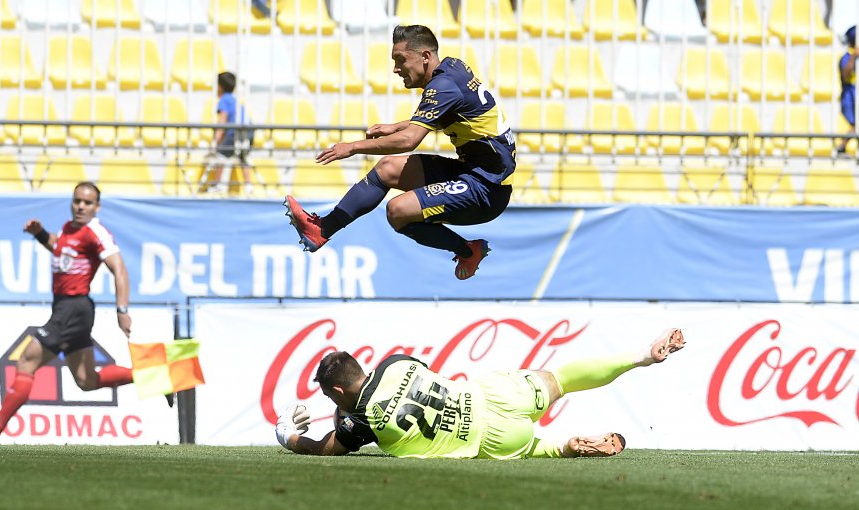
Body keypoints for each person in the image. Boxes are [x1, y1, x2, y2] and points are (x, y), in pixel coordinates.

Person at [284, 25, 516, 280]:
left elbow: (409, 140)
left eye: (400, 60)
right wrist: (396, 126)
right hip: (471, 171)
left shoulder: (442, 86)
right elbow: (453, 112)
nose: (396, 69)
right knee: (387, 169)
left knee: (397, 212)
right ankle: (322, 230)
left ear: (425, 57)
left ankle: (467, 251)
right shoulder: (453, 67)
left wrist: (351, 147)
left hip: (487, 189)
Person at [0, 182, 170, 444]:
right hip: (66, 307)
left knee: (28, 359)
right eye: (77, 201)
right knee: (86, 380)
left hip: (73, 308)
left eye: (88, 202)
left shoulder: (96, 232)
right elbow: (61, 250)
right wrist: (40, 234)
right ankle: (157, 376)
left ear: (97, 207)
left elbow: (119, 269)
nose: (81, 206)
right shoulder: (70, 229)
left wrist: (122, 309)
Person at [275, 328, 686, 459]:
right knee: (559, 378)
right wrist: (346, 413)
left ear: (337, 390)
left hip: (484, 441)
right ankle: (641, 356)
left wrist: (287, 436)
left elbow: (330, 448)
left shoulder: (362, 422)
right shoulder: (397, 362)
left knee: (536, 448)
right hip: (494, 395)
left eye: (331, 398)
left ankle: (564, 446)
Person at [204, 72, 254, 193]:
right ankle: (248, 185)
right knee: (242, 156)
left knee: (220, 155)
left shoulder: (224, 100)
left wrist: (215, 143)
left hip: (235, 131)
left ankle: (217, 184)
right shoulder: (234, 99)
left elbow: (222, 122)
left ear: (220, 87)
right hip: (249, 131)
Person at [837, 26, 857, 156]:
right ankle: (842, 146)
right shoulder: (847, 57)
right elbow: (845, 74)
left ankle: (842, 147)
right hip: (849, 97)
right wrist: (854, 57)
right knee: (856, 124)